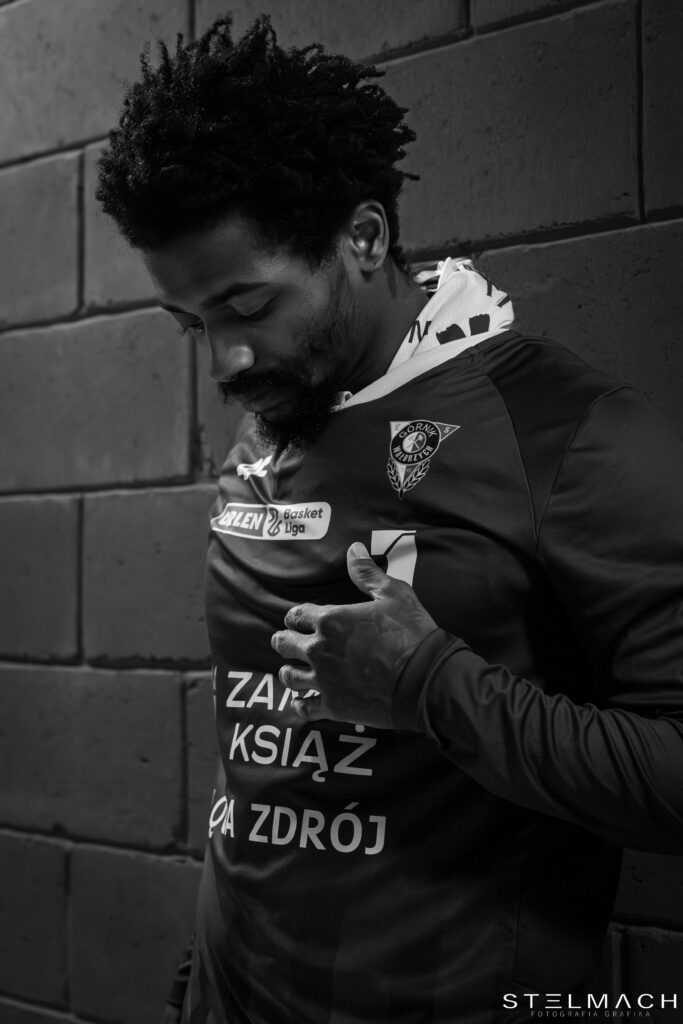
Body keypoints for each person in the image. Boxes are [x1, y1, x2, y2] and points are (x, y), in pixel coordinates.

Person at [96, 14, 683, 1024]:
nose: (225, 361)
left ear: (363, 238)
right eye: (193, 324)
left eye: (248, 307)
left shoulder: (565, 434)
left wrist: (427, 686)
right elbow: (259, 757)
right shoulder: (282, 404)